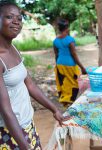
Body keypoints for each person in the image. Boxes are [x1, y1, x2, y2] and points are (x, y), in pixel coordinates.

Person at [0, 1, 69, 150]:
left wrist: (54, 109)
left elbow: (29, 84)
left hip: (26, 126)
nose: (16, 22)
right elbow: (5, 109)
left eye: (19, 18)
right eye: (9, 17)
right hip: (8, 133)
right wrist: (25, 147)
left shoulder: (13, 48)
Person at [53, 19, 87, 108]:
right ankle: (71, 102)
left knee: (64, 83)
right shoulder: (70, 40)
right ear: (67, 28)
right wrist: (82, 68)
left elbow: (56, 55)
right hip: (70, 64)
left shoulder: (55, 41)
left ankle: (65, 101)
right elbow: (74, 55)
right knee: (74, 83)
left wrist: (57, 66)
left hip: (60, 64)